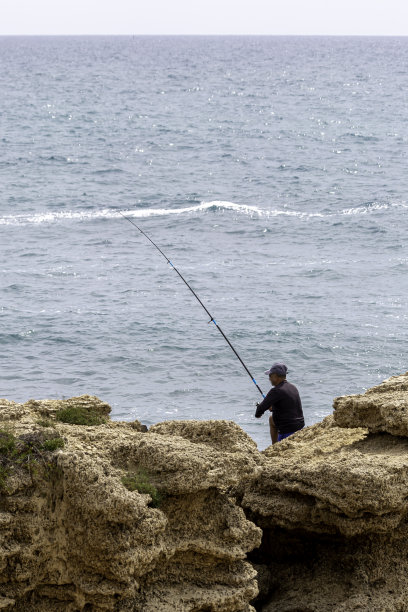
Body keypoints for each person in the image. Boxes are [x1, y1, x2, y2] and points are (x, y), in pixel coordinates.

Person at [255, 362, 304, 444]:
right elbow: (287, 406)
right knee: (271, 419)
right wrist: (273, 408)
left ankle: (275, 446)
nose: (269, 379)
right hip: (299, 426)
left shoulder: (276, 390)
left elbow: (260, 410)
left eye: (270, 376)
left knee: (271, 419)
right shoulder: (293, 387)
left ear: (275, 376)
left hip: (287, 429)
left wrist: (259, 414)